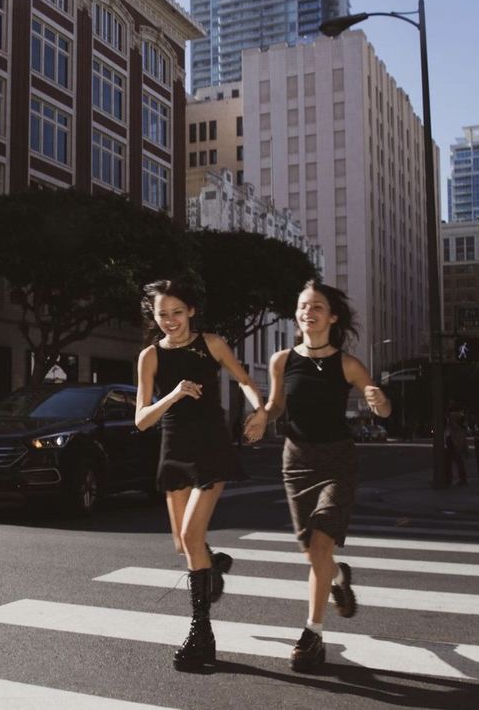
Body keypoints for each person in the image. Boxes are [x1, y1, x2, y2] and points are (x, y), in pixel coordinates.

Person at [248, 280, 391, 674]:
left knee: (323, 541)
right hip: (295, 461)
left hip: (337, 463)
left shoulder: (348, 364)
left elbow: (381, 407)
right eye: (302, 306)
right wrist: (263, 415)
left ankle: (312, 634)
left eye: (316, 307)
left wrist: (378, 401)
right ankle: (339, 575)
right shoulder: (281, 360)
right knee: (313, 553)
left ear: (332, 317)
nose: (308, 312)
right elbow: (277, 405)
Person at [135, 278, 266, 672]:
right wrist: (172, 395)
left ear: (191, 310)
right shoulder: (150, 356)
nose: (171, 320)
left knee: (192, 537)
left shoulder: (212, 343)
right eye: (162, 314)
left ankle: (201, 635)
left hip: (210, 446)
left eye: (178, 312)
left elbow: (245, 382)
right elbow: (142, 420)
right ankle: (213, 565)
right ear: (153, 316)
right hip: (173, 449)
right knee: (183, 545)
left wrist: (259, 411)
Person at [445, 411, 468, 485]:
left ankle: (450, 479)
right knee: (457, 463)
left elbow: (459, 439)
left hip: (455, 446)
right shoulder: (459, 428)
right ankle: (460, 479)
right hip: (455, 446)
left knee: (455, 463)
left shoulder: (456, 428)